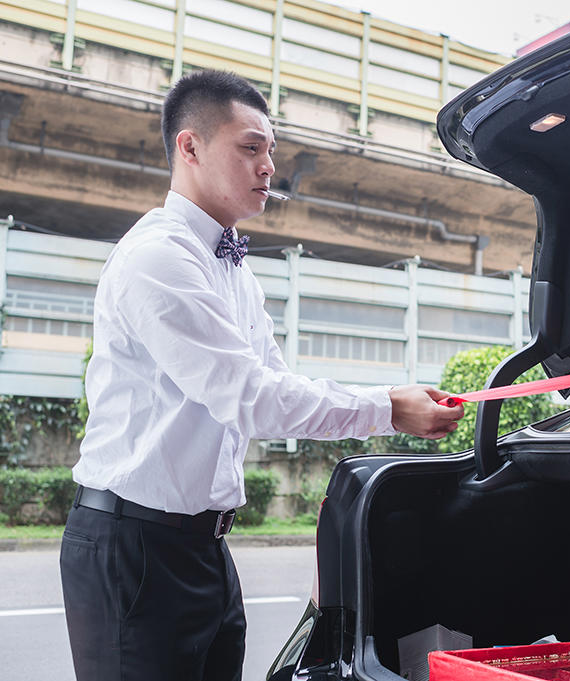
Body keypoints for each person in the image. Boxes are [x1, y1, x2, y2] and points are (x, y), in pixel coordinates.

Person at [59, 69, 465, 681]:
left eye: (270, 149)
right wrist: (389, 407)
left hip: (205, 547)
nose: (268, 165)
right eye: (251, 147)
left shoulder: (235, 271)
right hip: (133, 547)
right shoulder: (158, 257)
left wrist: (390, 402)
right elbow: (253, 399)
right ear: (189, 147)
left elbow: (275, 384)